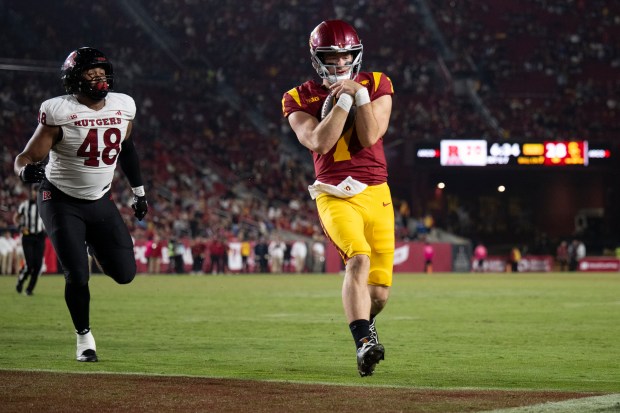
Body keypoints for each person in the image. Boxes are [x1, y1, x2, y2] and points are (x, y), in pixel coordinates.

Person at [13, 47, 148, 362]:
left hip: (99, 199)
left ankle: (89, 243)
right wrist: (24, 170)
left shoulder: (123, 105)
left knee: (125, 273)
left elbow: (127, 149)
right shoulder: (60, 111)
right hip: (60, 199)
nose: (99, 78)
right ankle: (84, 339)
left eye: (102, 72)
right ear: (75, 79)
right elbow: (27, 156)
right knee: (77, 274)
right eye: (91, 73)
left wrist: (140, 192)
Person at [282, 20, 395, 377]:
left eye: (346, 56)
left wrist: (358, 94)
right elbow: (319, 142)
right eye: (331, 58)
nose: (340, 64)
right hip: (334, 192)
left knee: (379, 295)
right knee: (357, 260)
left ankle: (366, 323)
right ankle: (363, 343)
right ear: (317, 59)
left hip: (377, 192)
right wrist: (342, 100)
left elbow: (371, 133)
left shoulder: (378, 84)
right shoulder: (297, 97)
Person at [14, 184, 47, 295]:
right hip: (28, 236)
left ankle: (29, 289)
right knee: (30, 264)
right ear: (31, 192)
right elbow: (16, 218)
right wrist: (20, 227)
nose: (36, 193)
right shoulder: (25, 205)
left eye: (38, 191)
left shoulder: (44, 205)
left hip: (40, 237)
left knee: (38, 266)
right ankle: (21, 280)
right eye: (34, 191)